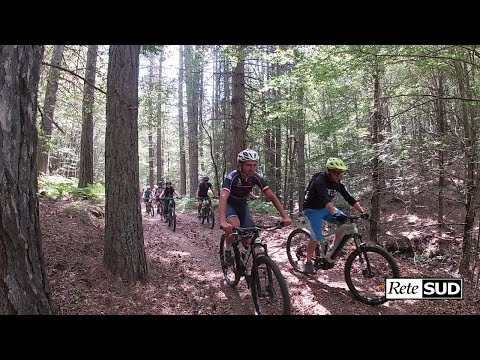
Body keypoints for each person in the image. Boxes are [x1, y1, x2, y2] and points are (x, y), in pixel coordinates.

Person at [219, 149, 292, 266]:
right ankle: (228, 249)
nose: (252, 168)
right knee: (234, 225)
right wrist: (223, 220)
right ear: (241, 165)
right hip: (230, 203)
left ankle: (243, 259)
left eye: (254, 165)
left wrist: (284, 216)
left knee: (248, 239)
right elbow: (223, 196)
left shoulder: (255, 177)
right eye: (248, 165)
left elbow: (271, 195)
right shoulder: (232, 176)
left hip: (242, 204)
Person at [302, 157, 367, 274]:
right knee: (316, 238)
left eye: (340, 173)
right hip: (311, 210)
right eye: (336, 173)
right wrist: (335, 213)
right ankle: (307, 262)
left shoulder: (337, 183)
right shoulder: (320, 180)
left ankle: (333, 248)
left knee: (344, 222)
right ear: (329, 172)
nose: (338, 176)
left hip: (325, 208)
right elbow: (325, 199)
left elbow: (349, 198)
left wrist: (362, 212)